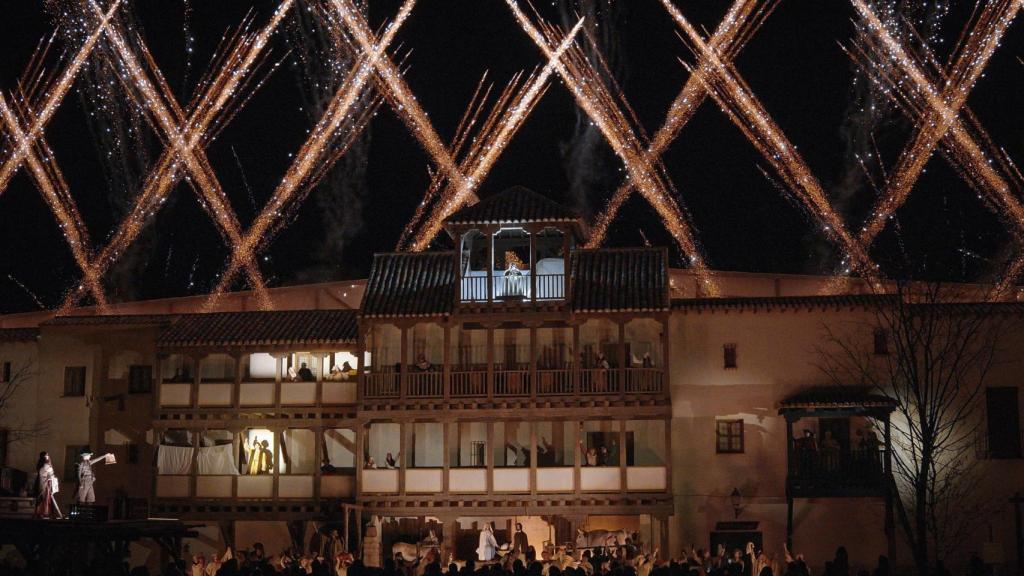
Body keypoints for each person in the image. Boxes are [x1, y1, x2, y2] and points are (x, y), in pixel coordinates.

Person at [35, 451, 60, 519]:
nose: (48, 457)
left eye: (48, 455)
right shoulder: (45, 465)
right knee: (45, 498)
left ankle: (43, 512)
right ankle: (44, 512)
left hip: (45, 483)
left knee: (45, 498)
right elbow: (49, 474)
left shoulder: (43, 465)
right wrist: (51, 477)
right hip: (45, 483)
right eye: (46, 456)